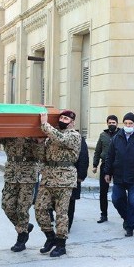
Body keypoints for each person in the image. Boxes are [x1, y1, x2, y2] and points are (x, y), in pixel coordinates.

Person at [35, 110, 81, 257]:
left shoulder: (74, 135)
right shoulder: (51, 136)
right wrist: (40, 144)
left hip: (64, 179)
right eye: (61, 117)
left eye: (66, 118)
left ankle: (61, 244)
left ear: (72, 122)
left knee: (61, 213)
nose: (62, 120)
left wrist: (44, 125)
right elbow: (41, 156)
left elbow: (61, 140)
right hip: (48, 177)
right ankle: (50, 237)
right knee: (40, 209)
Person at [0, 137, 39, 252]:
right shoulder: (9, 131)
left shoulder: (32, 131)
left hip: (28, 173)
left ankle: (21, 237)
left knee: (22, 208)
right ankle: (24, 226)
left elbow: (41, 152)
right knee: (7, 206)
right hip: (11, 172)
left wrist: (37, 140)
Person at [104, 112, 134, 237]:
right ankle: (127, 218)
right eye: (126, 123)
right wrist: (107, 172)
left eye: (130, 123)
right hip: (119, 176)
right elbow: (110, 156)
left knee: (132, 202)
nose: (128, 125)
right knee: (116, 199)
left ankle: (129, 227)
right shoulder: (117, 137)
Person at [92, 115, 118, 223]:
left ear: (117, 123)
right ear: (107, 123)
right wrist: (95, 165)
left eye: (113, 123)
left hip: (118, 166)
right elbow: (97, 151)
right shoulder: (103, 135)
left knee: (120, 191)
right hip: (105, 165)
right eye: (110, 123)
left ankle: (124, 212)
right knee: (103, 191)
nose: (111, 124)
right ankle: (103, 214)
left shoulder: (121, 134)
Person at [68, 135, 89, 232]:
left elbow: (84, 156)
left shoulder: (78, 138)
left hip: (72, 176)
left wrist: (81, 175)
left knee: (70, 201)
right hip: (54, 177)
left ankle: (66, 226)